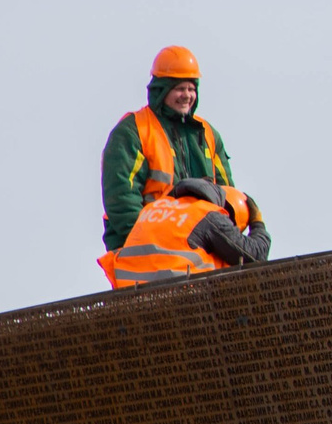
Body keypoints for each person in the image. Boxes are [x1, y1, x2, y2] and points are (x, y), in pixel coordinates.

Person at [100, 45, 235, 254]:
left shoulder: (208, 134)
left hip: (199, 249)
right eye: (179, 88)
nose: (187, 96)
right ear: (161, 90)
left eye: (191, 89)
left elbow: (228, 195)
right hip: (146, 250)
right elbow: (121, 198)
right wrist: (148, 243)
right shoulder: (133, 131)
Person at [97, 176, 270, 288]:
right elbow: (253, 255)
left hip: (127, 295)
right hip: (177, 295)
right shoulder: (208, 214)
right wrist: (258, 223)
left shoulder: (154, 208)